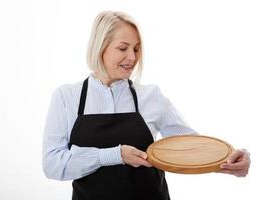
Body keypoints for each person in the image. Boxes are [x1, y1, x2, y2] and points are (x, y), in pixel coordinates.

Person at [42, 11, 251, 200]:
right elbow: (52, 165)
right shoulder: (66, 97)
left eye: (136, 49)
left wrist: (230, 159)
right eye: (123, 48)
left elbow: (191, 148)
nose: (132, 58)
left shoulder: (151, 96)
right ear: (100, 47)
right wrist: (116, 154)